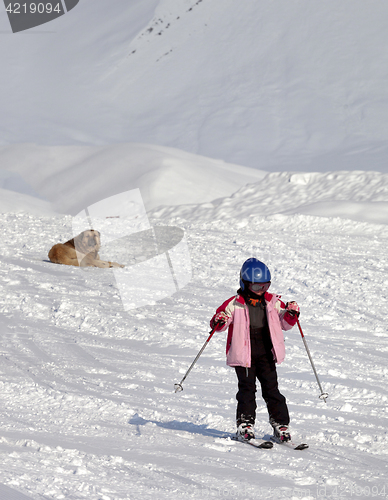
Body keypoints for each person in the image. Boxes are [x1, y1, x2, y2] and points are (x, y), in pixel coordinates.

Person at [210, 258, 300, 442]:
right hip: (244, 355)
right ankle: (245, 425)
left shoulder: (272, 301)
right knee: (246, 390)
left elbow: (285, 323)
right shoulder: (234, 303)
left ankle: (280, 425)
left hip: (266, 353)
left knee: (272, 390)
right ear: (244, 283)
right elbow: (221, 323)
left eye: (265, 286)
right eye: (257, 287)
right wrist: (219, 321)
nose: (262, 290)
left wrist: (291, 314)